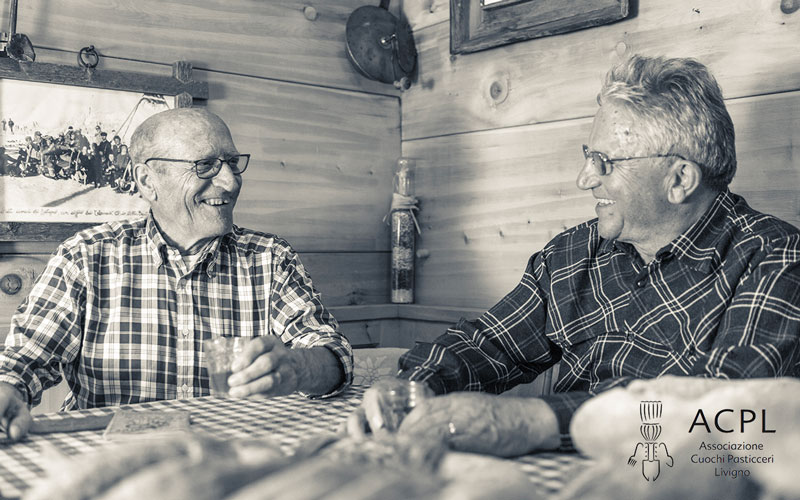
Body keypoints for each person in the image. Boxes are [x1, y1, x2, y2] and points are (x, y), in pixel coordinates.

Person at [349, 55, 800, 456]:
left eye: (605, 161)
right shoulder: (574, 252)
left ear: (679, 179)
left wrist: (530, 421)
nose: (584, 179)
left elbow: (727, 406)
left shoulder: (774, 257)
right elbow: (488, 343)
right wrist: (408, 387)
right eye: (588, 155)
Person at [0, 108, 352, 441]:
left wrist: (297, 366)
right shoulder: (85, 256)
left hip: (233, 453)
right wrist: (6, 394)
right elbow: (21, 363)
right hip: (109, 457)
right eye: (205, 166)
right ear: (147, 181)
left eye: (231, 163)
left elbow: (332, 353)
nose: (229, 182)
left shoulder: (270, 257)